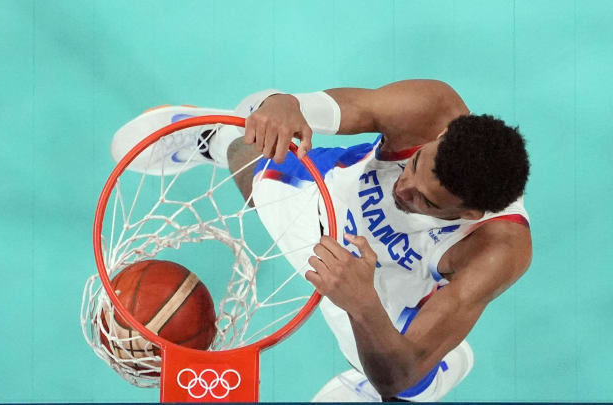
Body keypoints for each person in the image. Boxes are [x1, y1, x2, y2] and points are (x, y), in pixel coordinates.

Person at [110, 79, 532, 402]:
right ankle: (212, 138)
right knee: (253, 129)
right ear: (439, 139)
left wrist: (362, 302)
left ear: (470, 213)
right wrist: (285, 106)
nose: (404, 190)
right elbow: (320, 108)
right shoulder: (432, 108)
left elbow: (399, 372)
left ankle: (444, 359)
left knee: (402, 387)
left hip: (387, 289)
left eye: (425, 200)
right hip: (332, 197)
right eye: (415, 165)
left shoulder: (498, 248)